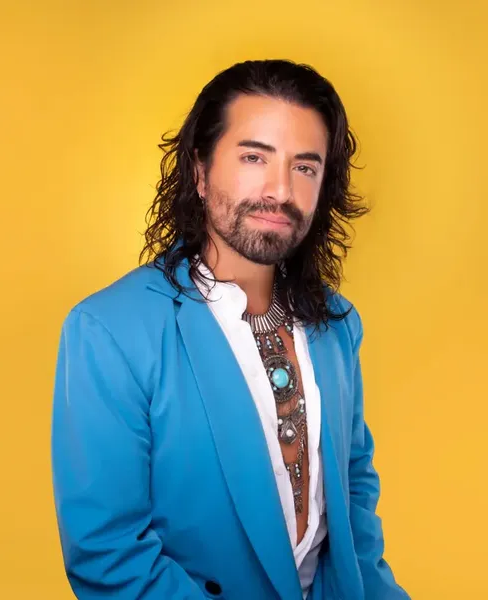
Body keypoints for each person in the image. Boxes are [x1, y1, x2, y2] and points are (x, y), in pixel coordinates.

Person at [51, 59, 410, 600]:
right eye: (253, 157)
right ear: (200, 172)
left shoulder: (338, 325)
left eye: (304, 167)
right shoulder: (109, 331)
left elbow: (353, 500)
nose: (280, 190)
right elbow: (109, 554)